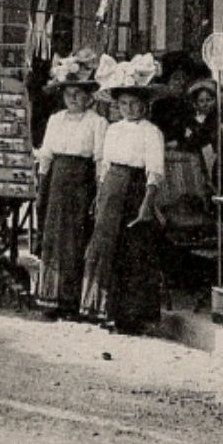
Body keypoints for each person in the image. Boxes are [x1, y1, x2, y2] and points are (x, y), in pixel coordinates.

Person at [79, 54, 167, 335]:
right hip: (111, 189)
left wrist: (146, 205)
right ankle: (105, 310)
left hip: (135, 190)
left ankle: (131, 317)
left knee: (132, 254)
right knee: (106, 248)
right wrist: (100, 194)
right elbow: (104, 165)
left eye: (134, 103)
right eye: (124, 104)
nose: (129, 109)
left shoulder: (151, 132)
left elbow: (154, 171)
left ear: (144, 105)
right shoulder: (114, 130)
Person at [32, 54, 108, 319]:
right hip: (57, 180)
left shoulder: (97, 123)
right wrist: (42, 184)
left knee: (76, 239)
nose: (73, 99)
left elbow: (100, 159)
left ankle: (72, 301)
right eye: (68, 94)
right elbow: (46, 155)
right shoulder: (56, 120)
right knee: (53, 238)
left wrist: (98, 191)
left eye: (78, 94)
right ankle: (50, 298)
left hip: (81, 181)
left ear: (89, 97)